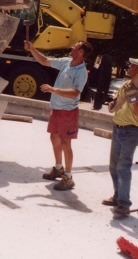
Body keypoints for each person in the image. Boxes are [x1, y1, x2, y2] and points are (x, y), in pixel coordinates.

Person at [24, 40, 93, 190]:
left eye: (75, 47)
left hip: (68, 112)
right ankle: (58, 168)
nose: (71, 47)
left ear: (81, 52)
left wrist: (53, 90)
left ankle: (68, 178)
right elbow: (45, 61)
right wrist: (32, 49)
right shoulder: (66, 62)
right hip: (56, 108)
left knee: (65, 143)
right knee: (54, 138)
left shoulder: (81, 72)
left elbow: (75, 93)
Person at [102, 57, 138, 215]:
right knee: (113, 165)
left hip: (131, 131)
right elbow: (117, 103)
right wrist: (113, 104)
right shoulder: (126, 84)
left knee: (123, 166)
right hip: (118, 127)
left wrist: (134, 98)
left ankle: (124, 204)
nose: (129, 67)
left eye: (133, 66)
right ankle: (117, 196)